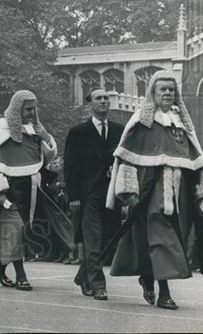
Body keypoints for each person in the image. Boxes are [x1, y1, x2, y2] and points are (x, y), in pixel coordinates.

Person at [105, 70, 203, 311]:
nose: (167, 93)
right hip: (150, 188)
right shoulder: (142, 120)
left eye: (171, 89)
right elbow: (127, 157)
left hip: (180, 191)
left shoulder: (182, 123)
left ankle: (147, 276)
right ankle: (164, 292)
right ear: (152, 93)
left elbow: (196, 160)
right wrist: (128, 191)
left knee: (163, 238)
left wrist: (202, 193)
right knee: (161, 237)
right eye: (162, 89)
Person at [0, 90, 71, 291]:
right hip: (9, 189)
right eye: (27, 109)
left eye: (33, 108)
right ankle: (21, 275)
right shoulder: (2, 130)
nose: (31, 112)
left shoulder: (34, 129)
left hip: (32, 188)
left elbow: (45, 159)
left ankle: (0, 270)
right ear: (17, 108)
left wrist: (45, 136)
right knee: (16, 229)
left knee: (20, 232)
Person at [63, 88, 124, 300]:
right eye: (99, 98)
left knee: (109, 239)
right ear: (91, 103)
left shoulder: (119, 130)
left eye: (106, 98)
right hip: (88, 194)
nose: (104, 101)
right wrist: (74, 197)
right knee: (94, 239)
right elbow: (70, 167)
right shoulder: (78, 132)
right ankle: (98, 285)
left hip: (112, 194)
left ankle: (83, 275)